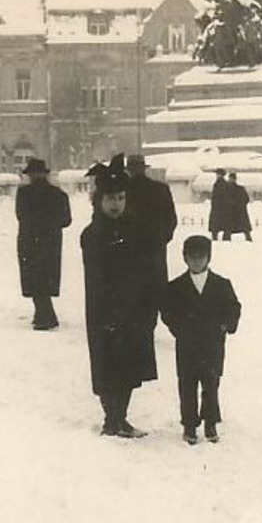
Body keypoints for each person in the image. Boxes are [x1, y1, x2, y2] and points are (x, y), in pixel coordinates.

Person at [81, 155, 156, 438]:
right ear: (99, 201)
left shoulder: (136, 230)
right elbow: (100, 277)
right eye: (111, 199)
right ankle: (112, 419)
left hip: (133, 311)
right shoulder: (93, 234)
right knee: (107, 365)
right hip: (105, 313)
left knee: (129, 367)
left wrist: (148, 303)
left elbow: (146, 268)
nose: (116, 204)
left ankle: (119, 418)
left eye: (121, 198)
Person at [161, 235, 242, 445]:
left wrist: (225, 325)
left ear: (209, 258)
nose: (197, 261)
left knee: (211, 384)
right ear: (185, 258)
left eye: (201, 256)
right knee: (187, 385)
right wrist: (178, 329)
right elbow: (167, 311)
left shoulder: (222, 284)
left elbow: (234, 308)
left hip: (212, 345)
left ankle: (210, 422)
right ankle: (189, 424)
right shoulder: (176, 286)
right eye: (191, 257)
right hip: (187, 346)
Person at [15, 157, 72, 331]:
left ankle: (45, 316)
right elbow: (66, 220)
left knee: (33, 276)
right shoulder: (58, 193)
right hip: (51, 241)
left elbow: (20, 216)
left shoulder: (23, 193)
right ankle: (42, 314)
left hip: (29, 240)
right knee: (46, 276)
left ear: (31, 175)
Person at [125, 152, 178, 326]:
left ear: (129, 170)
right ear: (143, 168)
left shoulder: (123, 190)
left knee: (132, 288)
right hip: (154, 249)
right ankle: (151, 320)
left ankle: (137, 322)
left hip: (129, 249)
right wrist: (161, 238)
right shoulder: (160, 189)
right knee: (154, 287)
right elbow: (171, 220)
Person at [227, 171, 253, 241]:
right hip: (241, 211)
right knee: (244, 227)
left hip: (232, 211)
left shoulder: (227, 189)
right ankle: (248, 238)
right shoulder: (241, 189)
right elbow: (246, 199)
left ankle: (227, 240)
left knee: (229, 227)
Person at [208, 168, 233, 241]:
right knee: (225, 224)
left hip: (217, 208)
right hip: (225, 208)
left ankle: (215, 237)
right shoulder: (226, 184)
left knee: (215, 225)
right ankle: (226, 237)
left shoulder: (217, 184)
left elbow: (216, 196)